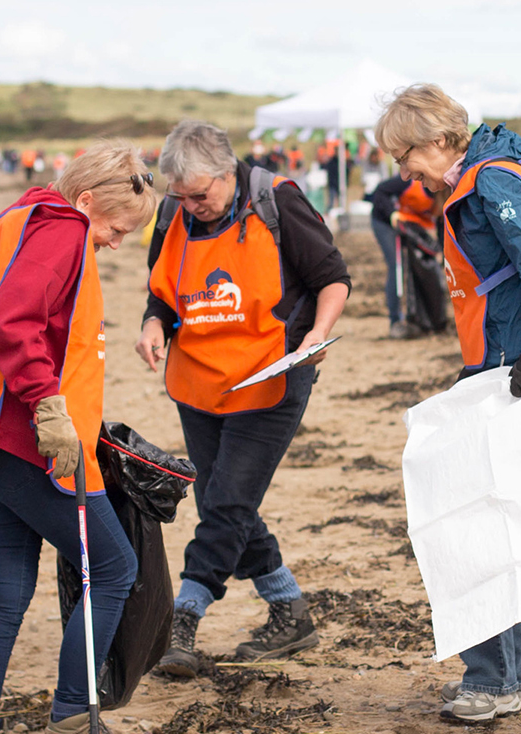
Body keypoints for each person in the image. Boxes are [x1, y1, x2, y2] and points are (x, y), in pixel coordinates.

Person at [0, 142, 159, 734]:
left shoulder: (20, 217)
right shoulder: (60, 229)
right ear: (85, 202)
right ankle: (70, 717)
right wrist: (48, 408)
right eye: (114, 228)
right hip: (24, 444)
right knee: (113, 568)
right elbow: (12, 321)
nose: (115, 241)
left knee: (4, 597)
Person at [376, 84, 521, 723]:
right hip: (497, 362)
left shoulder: (493, 183)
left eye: (404, 154)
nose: (402, 170)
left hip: (519, 366)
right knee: (489, 522)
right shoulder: (480, 179)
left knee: (476, 526)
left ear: (439, 139)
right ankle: (503, 678)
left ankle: (493, 681)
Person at [136, 121, 351, 678]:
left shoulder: (277, 201)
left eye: (200, 195)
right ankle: (289, 611)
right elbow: (161, 292)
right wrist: (154, 325)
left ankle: (183, 617)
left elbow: (332, 277)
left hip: (271, 377)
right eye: (180, 197)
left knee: (228, 501)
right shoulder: (173, 214)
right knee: (220, 499)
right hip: (200, 379)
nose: (191, 207)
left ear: (229, 173)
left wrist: (316, 335)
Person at [368, 175, 440, 338]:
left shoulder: (442, 194)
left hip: (410, 225)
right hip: (385, 221)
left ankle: (420, 317)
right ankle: (395, 320)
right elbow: (380, 191)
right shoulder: (410, 181)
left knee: (418, 267)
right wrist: (392, 213)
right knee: (396, 265)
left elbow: (442, 224)